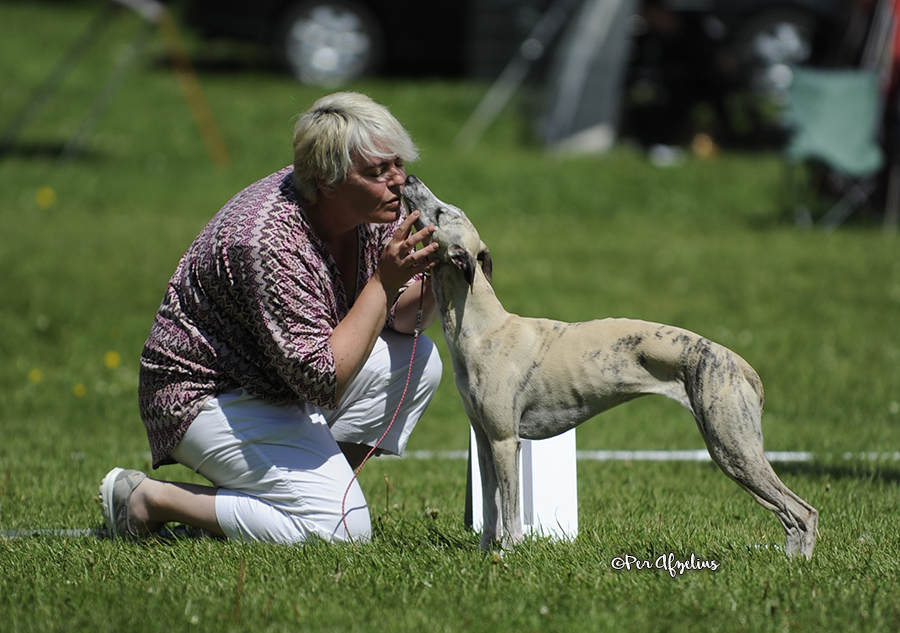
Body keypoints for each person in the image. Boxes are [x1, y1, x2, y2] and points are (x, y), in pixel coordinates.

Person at [99, 92, 443, 544]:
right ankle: (149, 500)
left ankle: (272, 503)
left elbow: (400, 320)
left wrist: (436, 276)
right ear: (326, 182)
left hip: (279, 383)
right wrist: (383, 280)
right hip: (209, 395)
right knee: (341, 530)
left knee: (418, 358)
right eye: (377, 172)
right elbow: (322, 380)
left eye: (397, 163)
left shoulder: (371, 208)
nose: (397, 181)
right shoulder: (265, 241)